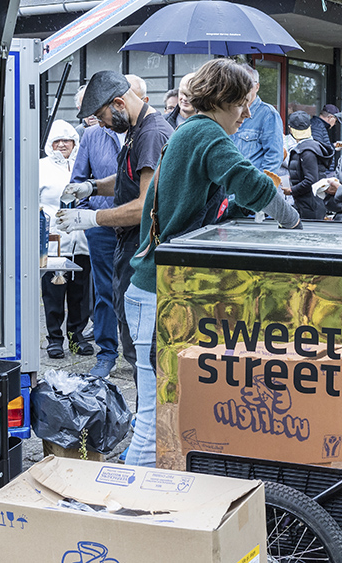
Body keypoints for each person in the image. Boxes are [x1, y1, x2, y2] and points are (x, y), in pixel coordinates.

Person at [125, 58, 301, 467]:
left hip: (152, 289)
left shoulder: (192, 131)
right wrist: (292, 220)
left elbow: (213, 201)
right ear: (227, 99)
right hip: (157, 294)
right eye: (244, 102)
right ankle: (125, 510)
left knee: (165, 414)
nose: (247, 113)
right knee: (154, 421)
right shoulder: (206, 132)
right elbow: (250, 182)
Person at [58, 71, 174, 380]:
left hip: (141, 245)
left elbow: (143, 206)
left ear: (119, 103)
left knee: (142, 347)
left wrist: (90, 218)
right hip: (129, 244)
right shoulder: (136, 130)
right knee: (126, 321)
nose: (103, 124)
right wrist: (92, 187)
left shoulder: (151, 134)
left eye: (102, 116)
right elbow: (126, 181)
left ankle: (147, 419)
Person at [70, 87, 124, 378]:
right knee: (104, 291)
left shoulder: (145, 133)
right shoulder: (91, 136)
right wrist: (86, 214)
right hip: (101, 227)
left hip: (137, 225)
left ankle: (139, 351)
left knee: (136, 291)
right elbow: (78, 179)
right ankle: (106, 353)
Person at [38, 120, 93, 359]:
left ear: (74, 142)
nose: (62, 145)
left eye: (67, 140)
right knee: (53, 294)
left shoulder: (83, 165)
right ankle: (54, 339)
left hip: (82, 240)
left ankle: (76, 338)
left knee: (80, 295)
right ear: (50, 144)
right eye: (57, 141)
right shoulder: (40, 167)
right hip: (54, 242)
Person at [230, 66, 284, 171]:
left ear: (257, 87)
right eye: (239, 82)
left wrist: (263, 184)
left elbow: (274, 157)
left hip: (252, 183)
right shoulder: (229, 112)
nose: (243, 87)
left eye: (248, 83)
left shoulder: (268, 114)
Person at [284, 110, 332, 220]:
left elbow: (311, 180)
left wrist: (291, 190)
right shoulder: (308, 147)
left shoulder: (307, 151)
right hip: (308, 204)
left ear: (290, 128)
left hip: (310, 205)